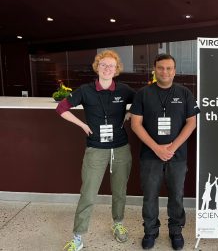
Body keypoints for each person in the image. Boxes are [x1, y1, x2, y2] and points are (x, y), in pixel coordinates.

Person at [57, 50, 135, 251]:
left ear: (117, 69)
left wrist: (129, 114)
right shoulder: (85, 90)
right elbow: (61, 108)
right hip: (96, 149)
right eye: (104, 65)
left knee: (119, 191)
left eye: (112, 66)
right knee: (88, 194)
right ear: (97, 67)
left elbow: (143, 103)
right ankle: (78, 237)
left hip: (120, 148)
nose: (108, 68)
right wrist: (82, 125)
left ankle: (118, 224)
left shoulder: (125, 90)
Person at [130, 53, 200, 250]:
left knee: (176, 195)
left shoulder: (185, 93)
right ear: (154, 70)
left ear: (175, 71)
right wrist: (157, 148)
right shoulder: (143, 93)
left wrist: (171, 148)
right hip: (150, 156)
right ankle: (150, 231)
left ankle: (175, 231)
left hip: (177, 156)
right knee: (150, 195)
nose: (165, 72)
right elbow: (136, 124)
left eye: (169, 68)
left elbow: (191, 123)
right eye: (161, 68)